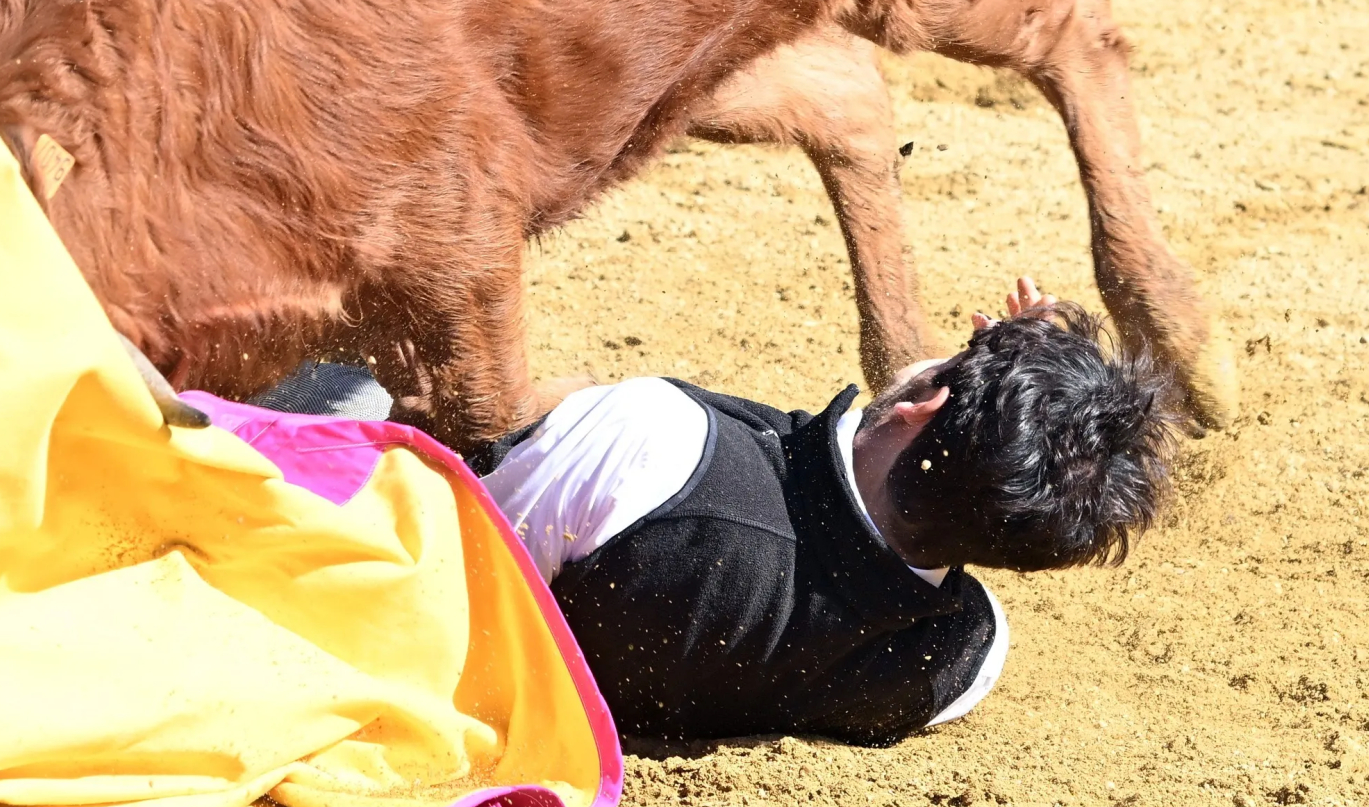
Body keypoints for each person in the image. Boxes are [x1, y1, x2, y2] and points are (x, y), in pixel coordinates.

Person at [255, 279, 1173, 747]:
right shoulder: (956, 656)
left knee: (349, 381)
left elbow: (456, 515)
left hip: (347, 615)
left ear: (918, 410)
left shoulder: (656, 445)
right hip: (624, 688)